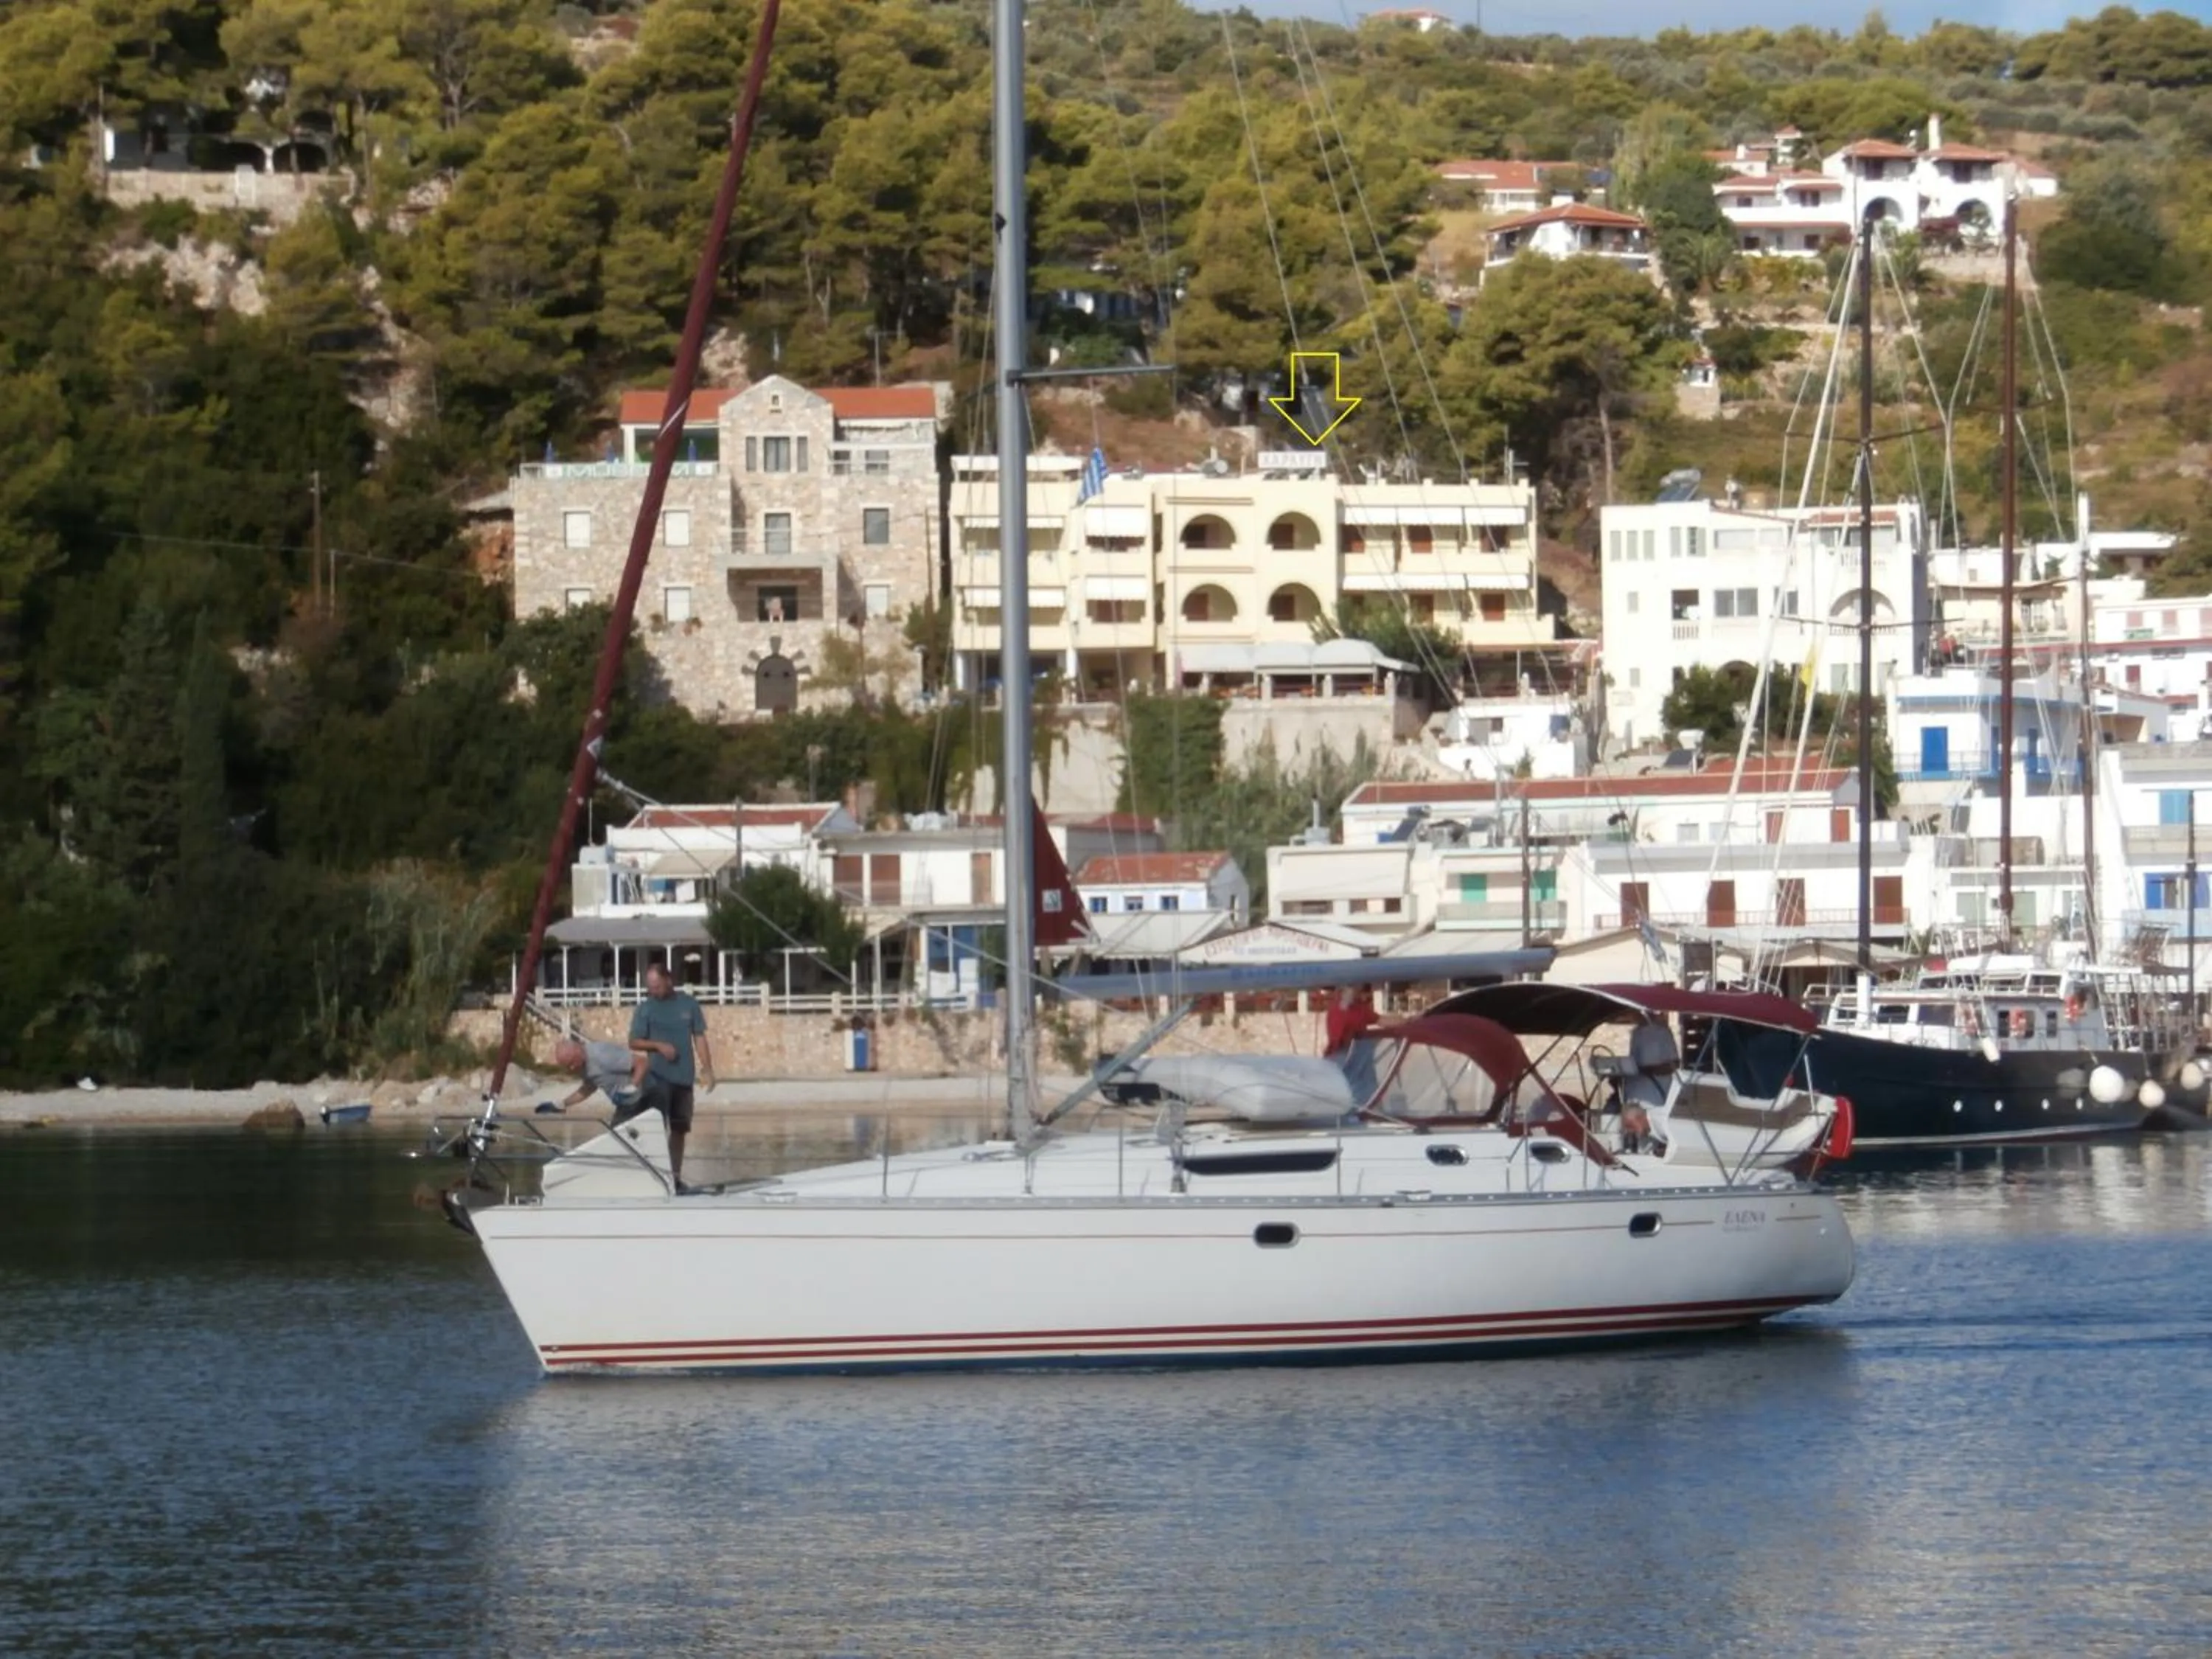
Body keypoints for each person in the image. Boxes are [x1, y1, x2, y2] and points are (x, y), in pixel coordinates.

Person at [630, 961, 716, 1192]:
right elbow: (634, 1041)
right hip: (657, 1078)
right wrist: (658, 1045)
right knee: (656, 1130)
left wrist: (707, 1068)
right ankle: (653, 1180)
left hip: (683, 1079)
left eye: (657, 986)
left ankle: (674, 1180)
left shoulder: (689, 1005)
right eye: (650, 987)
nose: (653, 991)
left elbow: (699, 1037)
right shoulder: (645, 1008)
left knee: (679, 1130)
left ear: (669, 980)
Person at [545, 1036, 651, 1119]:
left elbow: (642, 1062)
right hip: (625, 1105)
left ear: (578, 1050)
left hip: (643, 1099)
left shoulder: (602, 1055)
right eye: (568, 1067)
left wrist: (631, 1087)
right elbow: (589, 1088)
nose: (572, 1068)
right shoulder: (583, 1064)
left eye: (572, 1063)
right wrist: (562, 1104)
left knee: (619, 1140)